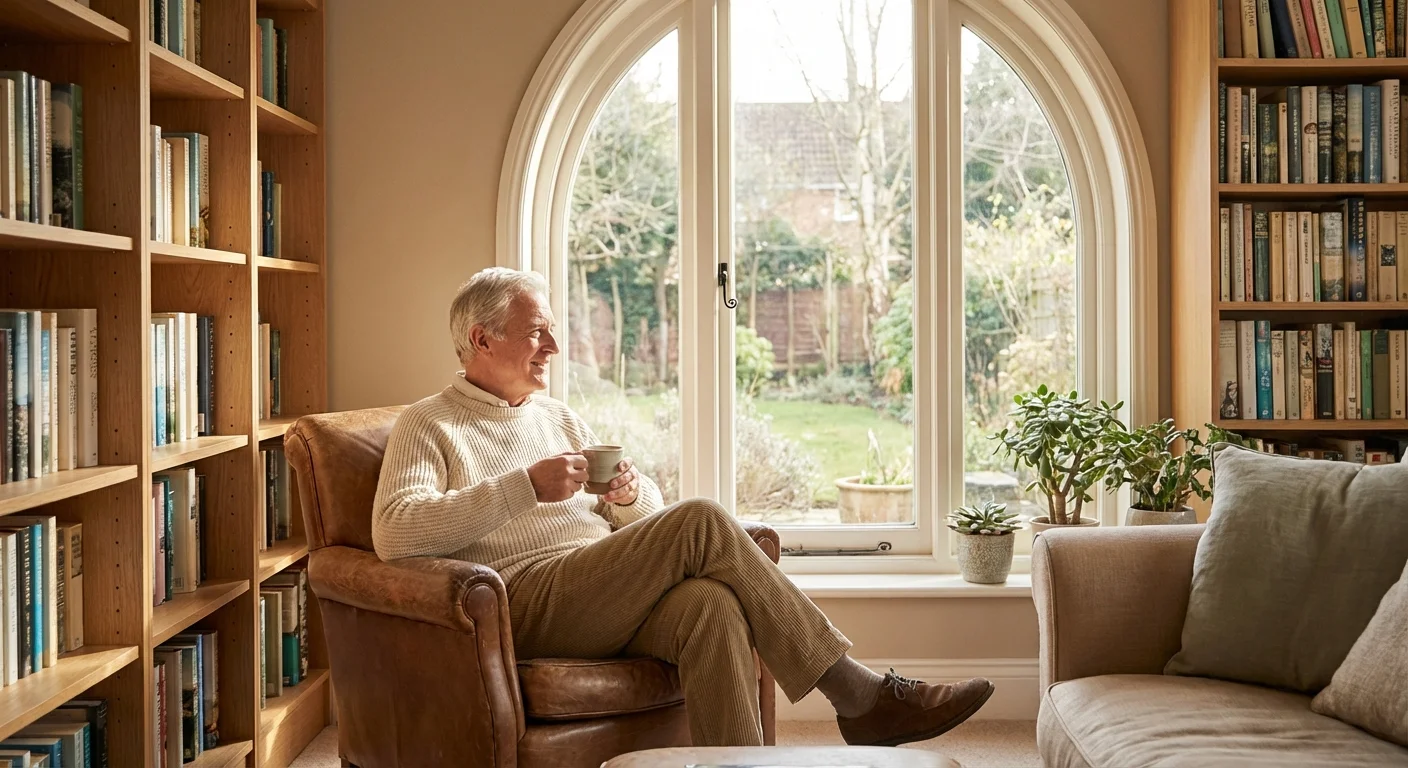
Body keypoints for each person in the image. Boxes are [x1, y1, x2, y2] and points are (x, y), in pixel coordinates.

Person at [371, 267, 993, 747]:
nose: (555, 345)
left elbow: (643, 527)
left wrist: (628, 498)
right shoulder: (429, 424)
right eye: (538, 331)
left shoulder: (557, 416)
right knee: (700, 518)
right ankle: (858, 694)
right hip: (523, 601)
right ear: (482, 339)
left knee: (710, 606)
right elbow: (395, 532)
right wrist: (523, 487)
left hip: (595, 591)